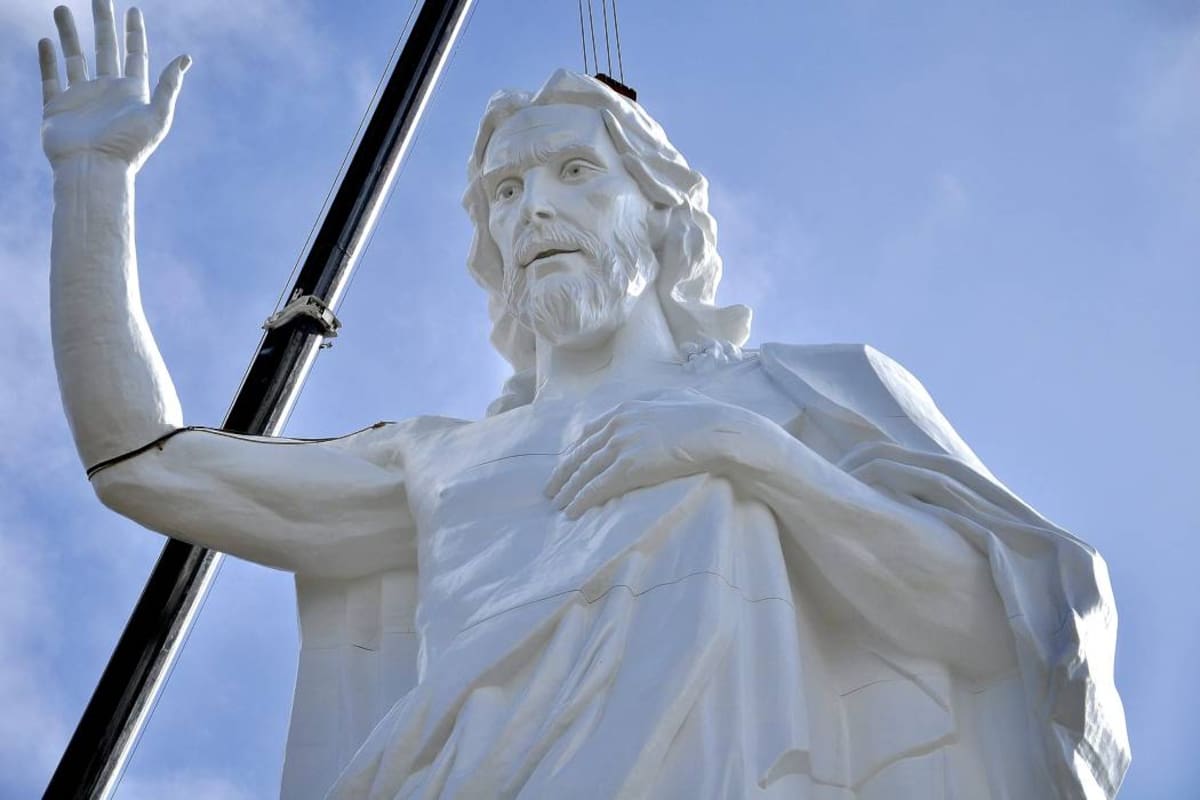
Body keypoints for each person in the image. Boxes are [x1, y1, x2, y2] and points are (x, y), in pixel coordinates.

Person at [40, 4, 1129, 798]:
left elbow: (998, 625)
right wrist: (96, 176)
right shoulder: (436, 460)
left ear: (661, 213)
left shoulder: (802, 393)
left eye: (574, 172)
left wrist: (746, 451)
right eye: (505, 192)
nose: (531, 210)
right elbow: (142, 460)